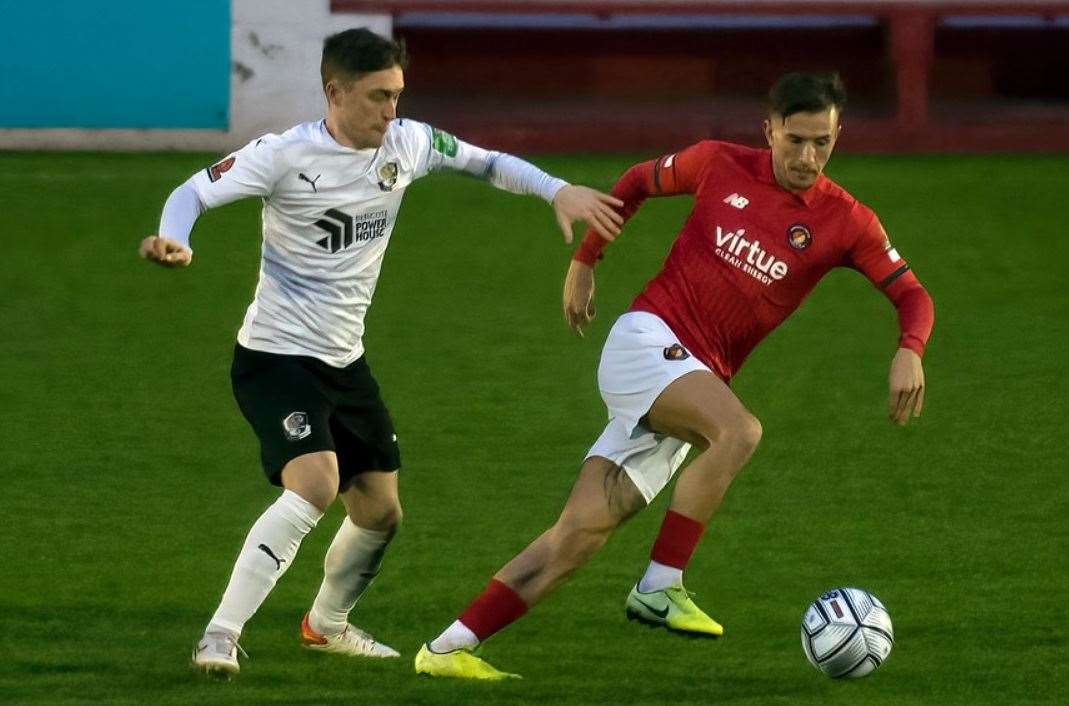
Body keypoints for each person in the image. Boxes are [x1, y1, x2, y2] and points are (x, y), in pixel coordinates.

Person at [415, 71, 934, 680]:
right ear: (768, 130)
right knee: (738, 432)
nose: (808, 156)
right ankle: (661, 586)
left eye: (822, 142)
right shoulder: (716, 163)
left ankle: (447, 649)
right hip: (647, 341)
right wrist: (584, 262)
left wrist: (911, 349)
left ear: (838, 135)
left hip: (689, 379)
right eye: (795, 140)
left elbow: (913, 295)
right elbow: (636, 182)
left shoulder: (847, 221)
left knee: (576, 537)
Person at [139, 28, 623, 678]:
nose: (389, 111)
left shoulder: (409, 143)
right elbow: (191, 192)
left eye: (396, 95)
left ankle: (326, 627)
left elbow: (486, 161)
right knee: (316, 484)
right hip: (274, 358)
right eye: (375, 98)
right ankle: (220, 636)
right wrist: (175, 239)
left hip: (345, 361)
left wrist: (555, 189)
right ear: (334, 92)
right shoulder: (283, 154)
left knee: (378, 511)